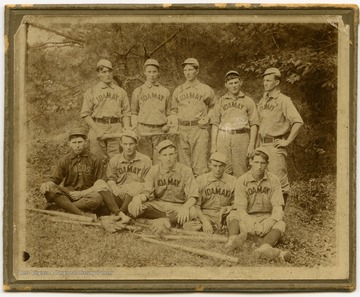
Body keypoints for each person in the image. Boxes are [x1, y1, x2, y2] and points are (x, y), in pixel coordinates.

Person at [226, 148, 291, 262]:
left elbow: (277, 208)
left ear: (267, 164)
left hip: (266, 216)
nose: (259, 166)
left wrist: (269, 222)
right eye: (256, 162)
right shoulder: (242, 180)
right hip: (247, 216)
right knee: (234, 214)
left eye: (262, 163)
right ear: (250, 162)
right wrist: (250, 222)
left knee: (280, 223)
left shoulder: (274, 180)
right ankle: (233, 240)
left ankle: (263, 247)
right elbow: (241, 209)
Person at [127, 140, 199, 230]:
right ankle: (170, 221)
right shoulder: (154, 170)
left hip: (177, 207)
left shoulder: (185, 170)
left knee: (192, 212)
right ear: (160, 157)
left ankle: (155, 221)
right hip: (158, 206)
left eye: (171, 154)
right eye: (165, 155)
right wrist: (137, 198)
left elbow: (193, 196)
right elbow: (147, 192)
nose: (168, 158)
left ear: (176, 154)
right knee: (132, 207)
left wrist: (185, 207)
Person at [257, 67, 303, 204]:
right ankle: (268, 215)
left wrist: (287, 141)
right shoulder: (263, 100)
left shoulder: (283, 100)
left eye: (269, 80)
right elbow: (260, 126)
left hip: (275, 146)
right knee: (263, 180)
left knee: (279, 182)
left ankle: (280, 219)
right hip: (262, 145)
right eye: (264, 80)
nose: (265, 83)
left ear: (277, 83)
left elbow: (298, 121)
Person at [39, 128, 106, 218]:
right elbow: (54, 180)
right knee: (50, 189)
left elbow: (101, 183)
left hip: (87, 194)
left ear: (86, 142)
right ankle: (81, 213)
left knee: (97, 198)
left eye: (80, 142)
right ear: (69, 144)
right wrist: (45, 184)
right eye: (74, 143)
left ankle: (63, 206)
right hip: (69, 193)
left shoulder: (95, 159)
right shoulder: (65, 160)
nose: (77, 145)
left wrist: (82, 193)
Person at [170, 58, 216, 177]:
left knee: (200, 165)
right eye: (185, 70)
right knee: (184, 165)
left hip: (199, 129)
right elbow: (174, 110)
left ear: (197, 71)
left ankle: (200, 193)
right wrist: (174, 123)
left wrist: (208, 118)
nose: (188, 72)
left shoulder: (205, 89)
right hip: (182, 129)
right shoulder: (178, 90)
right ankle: (187, 194)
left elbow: (214, 107)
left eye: (190, 69)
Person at [80, 59, 131, 162]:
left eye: (109, 71)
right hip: (97, 126)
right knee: (97, 159)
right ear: (98, 73)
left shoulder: (121, 91)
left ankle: (114, 178)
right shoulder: (91, 91)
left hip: (115, 126)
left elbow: (126, 112)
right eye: (103, 72)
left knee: (116, 159)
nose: (107, 74)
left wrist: (126, 126)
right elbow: (85, 114)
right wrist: (96, 129)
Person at [211, 70, 259, 177]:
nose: (234, 86)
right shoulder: (221, 101)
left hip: (241, 136)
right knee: (224, 169)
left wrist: (251, 145)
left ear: (240, 82)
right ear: (226, 85)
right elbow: (215, 123)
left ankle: (240, 194)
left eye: (236, 82)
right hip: (223, 136)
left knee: (240, 170)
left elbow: (254, 124)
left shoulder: (248, 101)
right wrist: (213, 145)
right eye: (231, 83)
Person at [101, 130, 152, 220]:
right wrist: (114, 187)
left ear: (136, 144)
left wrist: (136, 191)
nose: (128, 147)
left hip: (134, 196)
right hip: (119, 193)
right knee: (100, 184)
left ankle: (118, 213)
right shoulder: (114, 159)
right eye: (125, 144)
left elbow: (148, 183)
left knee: (136, 186)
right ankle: (121, 214)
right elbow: (110, 178)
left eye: (131, 144)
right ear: (121, 144)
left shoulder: (145, 160)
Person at [131, 59, 171, 164]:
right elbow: (134, 112)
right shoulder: (138, 91)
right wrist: (135, 128)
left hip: (160, 129)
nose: (152, 75)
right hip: (143, 129)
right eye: (149, 72)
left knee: (160, 160)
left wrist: (168, 125)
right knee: (144, 160)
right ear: (144, 72)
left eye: (154, 71)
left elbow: (169, 112)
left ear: (158, 72)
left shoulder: (165, 91)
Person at [195, 152, 236, 233]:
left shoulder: (233, 180)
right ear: (209, 165)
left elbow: (237, 203)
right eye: (215, 166)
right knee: (190, 225)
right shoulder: (201, 180)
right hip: (206, 214)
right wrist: (205, 221)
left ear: (225, 166)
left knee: (236, 220)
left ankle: (227, 231)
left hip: (225, 214)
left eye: (221, 166)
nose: (218, 169)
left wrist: (230, 208)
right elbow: (196, 206)